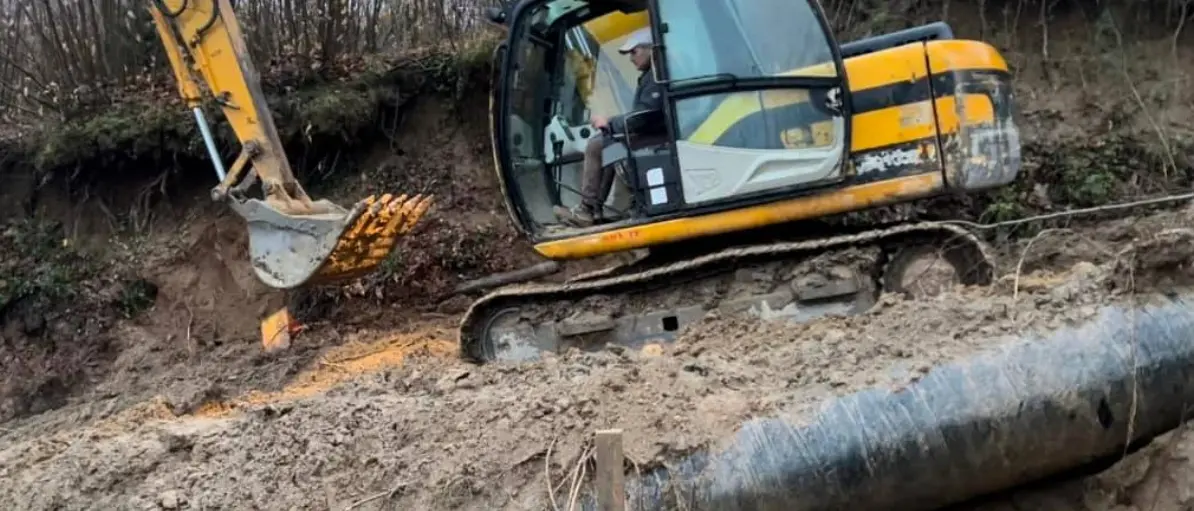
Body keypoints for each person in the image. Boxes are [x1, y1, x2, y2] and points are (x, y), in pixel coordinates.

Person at [554, 27, 664, 227]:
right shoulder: (652, 75)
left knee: (596, 146)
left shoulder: (656, 76)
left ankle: (587, 209)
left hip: (658, 135)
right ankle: (594, 209)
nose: (631, 58)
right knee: (609, 145)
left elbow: (644, 116)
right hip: (654, 132)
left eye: (634, 52)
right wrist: (612, 125)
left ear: (650, 49)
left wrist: (610, 123)